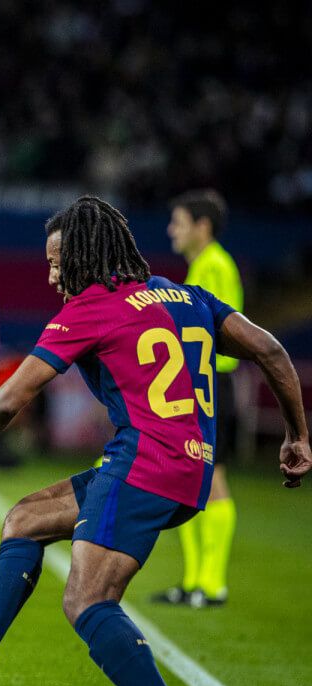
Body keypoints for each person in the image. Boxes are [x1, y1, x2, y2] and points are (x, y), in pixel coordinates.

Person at [0, 196, 310, 686]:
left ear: (82, 257)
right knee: (25, 520)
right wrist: (298, 436)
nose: (51, 277)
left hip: (145, 461)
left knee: (87, 599)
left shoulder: (93, 307)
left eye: (57, 263)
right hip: (190, 464)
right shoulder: (187, 296)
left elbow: (10, 401)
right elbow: (269, 349)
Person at [154, 190, 244, 608]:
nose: (172, 230)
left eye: (178, 222)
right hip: (198, 386)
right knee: (191, 479)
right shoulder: (202, 267)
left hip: (211, 386)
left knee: (214, 478)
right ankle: (193, 581)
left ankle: (213, 584)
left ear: (201, 226)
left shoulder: (214, 266)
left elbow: (213, 331)